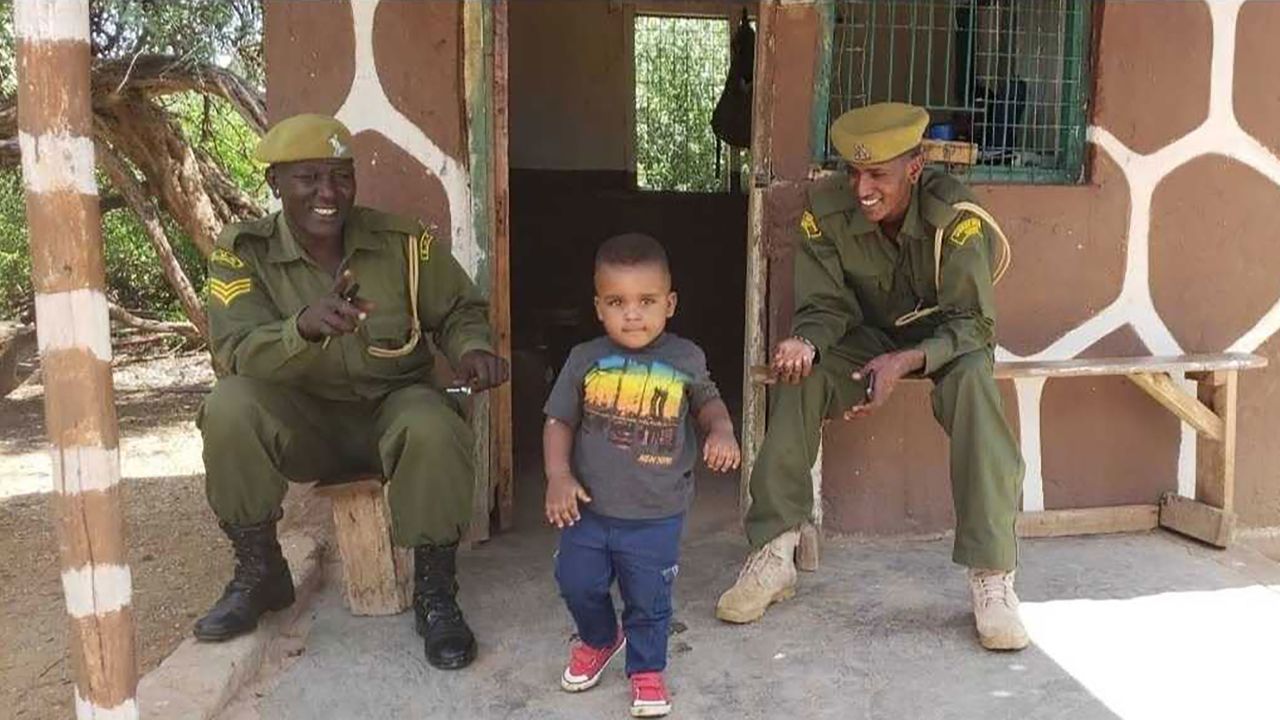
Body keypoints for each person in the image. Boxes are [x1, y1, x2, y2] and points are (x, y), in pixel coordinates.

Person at [193, 114, 509, 671]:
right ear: (275, 185)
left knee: (433, 423)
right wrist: (302, 327)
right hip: (306, 425)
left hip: (394, 413)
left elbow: (459, 308)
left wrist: (471, 348)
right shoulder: (243, 252)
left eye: (341, 176)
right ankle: (260, 571)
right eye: (308, 178)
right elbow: (235, 351)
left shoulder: (402, 244)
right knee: (229, 405)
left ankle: (435, 593)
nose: (328, 193)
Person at [714, 102, 1028, 651]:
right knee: (801, 376)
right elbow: (824, 306)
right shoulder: (827, 210)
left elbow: (974, 324)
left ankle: (992, 574)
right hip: (862, 338)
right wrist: (805, 342)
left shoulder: (956, 219)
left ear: (915, 166)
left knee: (976, 387)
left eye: (878, 173)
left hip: (944, 343)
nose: (862, 188)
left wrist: (906, 361)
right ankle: (775, 549)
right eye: (855, 171)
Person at [544, 234, 741, 717]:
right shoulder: (584, 359)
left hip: (656, 514)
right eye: (617, 302)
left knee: (648, 599)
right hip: (588, 508)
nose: (632, 314)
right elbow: (559, 420)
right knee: (576, 582)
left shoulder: (686, 359)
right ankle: (599, 638)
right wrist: (557, 477)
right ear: (599, 307)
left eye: (646, 301)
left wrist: (723, 432)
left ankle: (647, 669)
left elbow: (709, 403)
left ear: (669, 303)